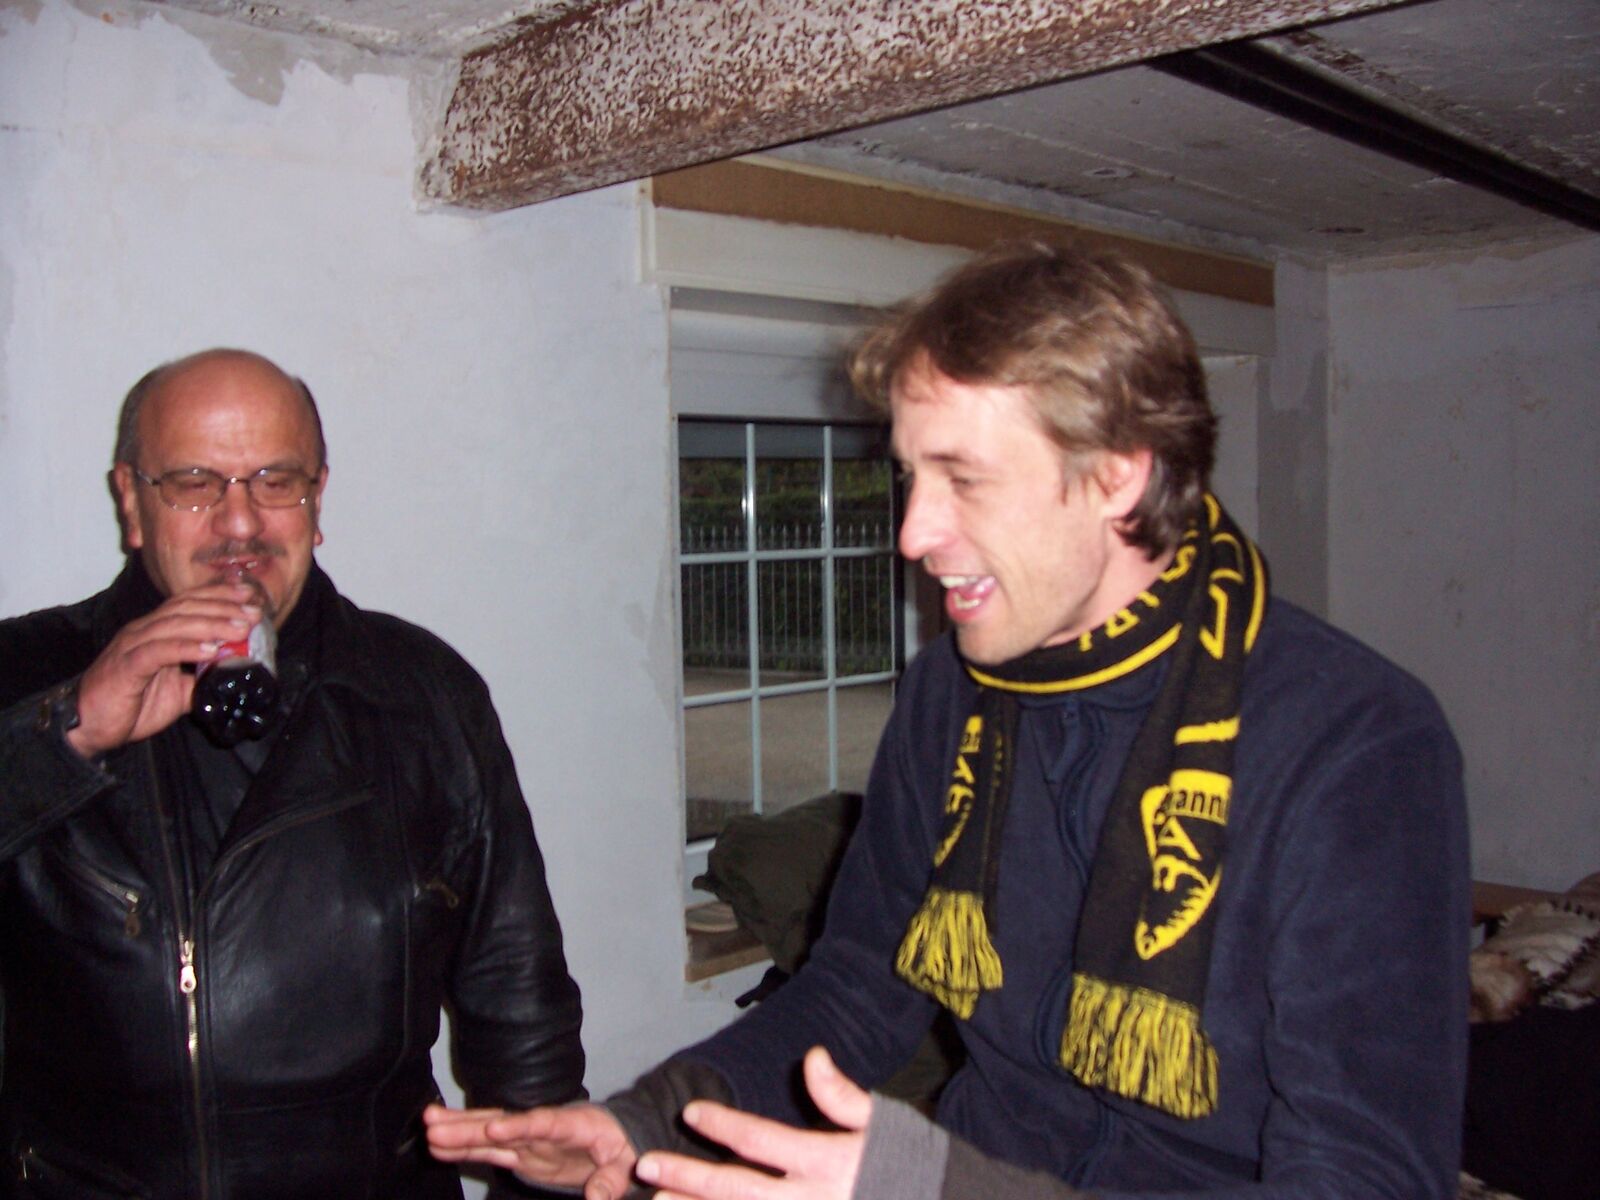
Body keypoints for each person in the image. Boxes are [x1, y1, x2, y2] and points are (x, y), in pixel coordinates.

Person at [426, 242, 1470, 1198]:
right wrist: (644, 1122)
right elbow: (858, 987)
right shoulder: (950, 696)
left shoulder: (1354, 743)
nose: (914, 533)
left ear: (1119, 474)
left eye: (963, 480)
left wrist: (935, 1190)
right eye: (910, 478)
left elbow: (1367, 1180)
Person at [0, 348, 585, 1198]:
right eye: (194, 483)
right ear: (132, 501)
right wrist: (70, 731)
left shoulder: (421, 693)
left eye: (277, 481)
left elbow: (517, 997)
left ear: (317, 501)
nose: (240, 523)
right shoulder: (22, 675)